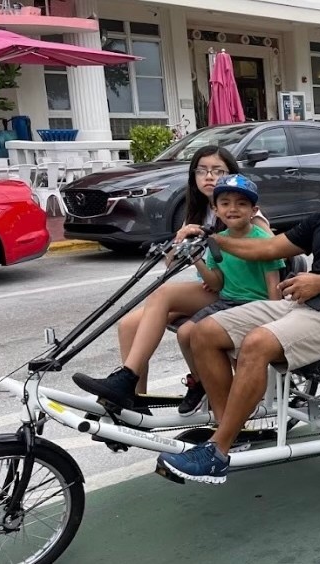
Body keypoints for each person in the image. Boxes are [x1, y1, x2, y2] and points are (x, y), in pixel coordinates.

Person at [156, 134, 320, 484]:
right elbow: (270, 248)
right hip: (305, 304)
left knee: (257, 344)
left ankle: (217, 451)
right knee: (203, 332)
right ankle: (229, 430)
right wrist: (213, 239)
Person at [71, 147, 272, 415]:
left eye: (217, 171)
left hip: (232, 290)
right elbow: (173, 264)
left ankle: (134, 378)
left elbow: (273, 249)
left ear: (231, 174)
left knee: (164, 294)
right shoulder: (199, 212)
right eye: (202, 170)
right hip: (209, 285)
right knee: (128, 325)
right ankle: (131, 402)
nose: (208, 177)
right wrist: (181, 239)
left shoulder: (248, 215)